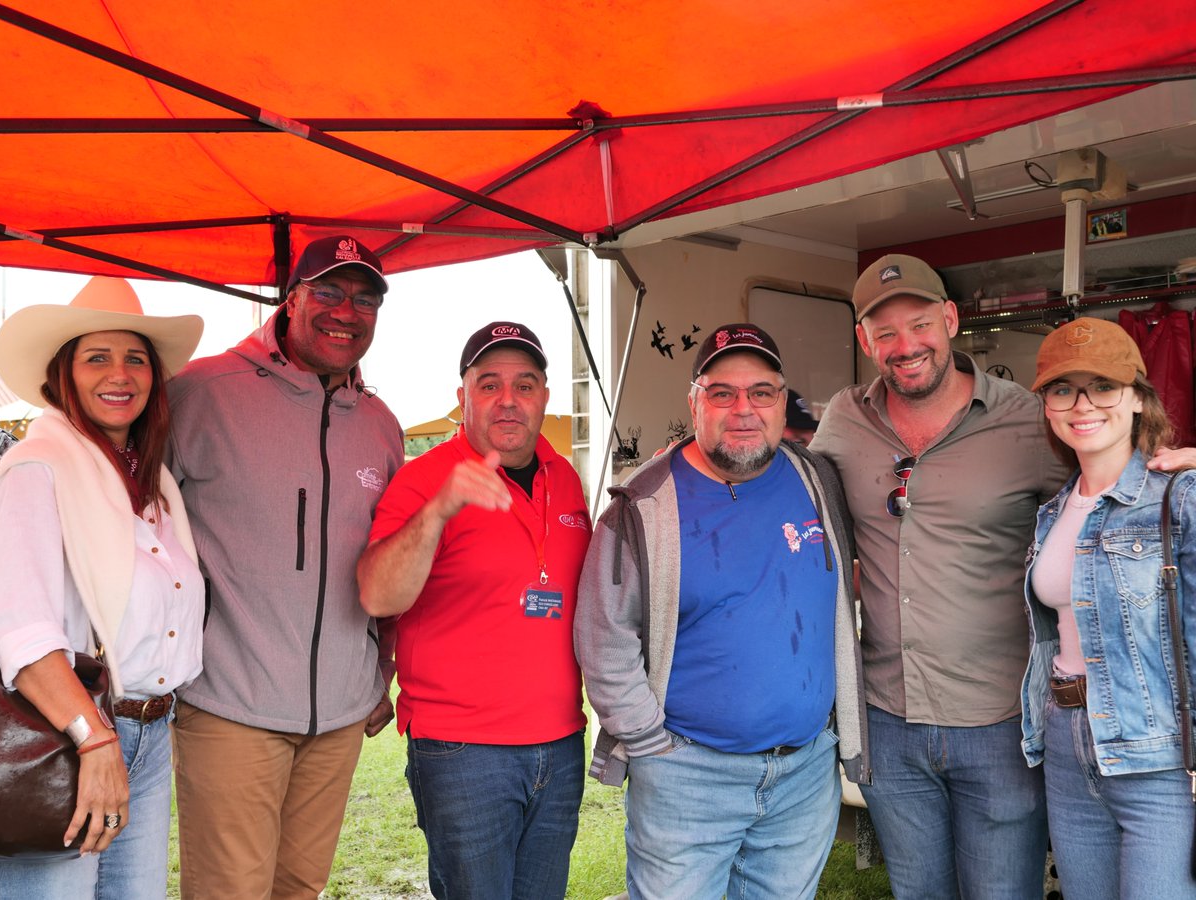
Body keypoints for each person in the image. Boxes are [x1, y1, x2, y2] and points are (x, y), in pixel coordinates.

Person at [576, 323, 868, 900]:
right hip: (688, 778)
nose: (744, 409)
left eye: (762, 392)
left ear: (783, 403)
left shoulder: (817, 481)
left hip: (804, 774)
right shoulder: (642, 507)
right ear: (694, 402)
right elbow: (604, 638)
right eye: (722, 393)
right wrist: (649, 746)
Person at [810, 254, 1068, 898]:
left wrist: (1172, 466)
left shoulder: (1028, 421)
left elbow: (1108, 496)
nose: (906, 347)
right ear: (865, 341)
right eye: (885, 333)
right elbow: (783, 492)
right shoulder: (844, 420)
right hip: (887, 722)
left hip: (1000, 722)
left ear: (950, 321)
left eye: (920, 324)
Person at [167, 234, 404, 899]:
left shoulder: (382, 424)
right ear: (291, 299)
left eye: (364, 299)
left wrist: (379, 670)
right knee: (230, 890)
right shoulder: (199, 393)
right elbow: (139, 531)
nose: (345, 312)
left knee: (299, 886)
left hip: (339, 716)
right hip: (228, 703)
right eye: (327, 292)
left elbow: (389, 559)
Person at [358, 321, 590, 900]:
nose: (508, 399)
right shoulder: (424, 480)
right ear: (462, 397)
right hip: (464, 752)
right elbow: (377, 595)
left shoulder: (565, 479)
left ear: (544, 397)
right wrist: (439, 512)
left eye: (525, 384)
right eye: (489, 384)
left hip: (560, 744)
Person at [0, 276, 204, 899]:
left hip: (147, 733)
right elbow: (23, 634)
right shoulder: (37, 469)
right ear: (65, 373)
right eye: (97, 357)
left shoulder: (151, 485)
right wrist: (94, 740)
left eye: (135, 358)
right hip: (68, 738)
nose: (120, 373)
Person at [1022, 317, 1196, 899]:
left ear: (1139, 399)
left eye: (1103, 385)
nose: (1082, 404)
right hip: (1066, 744)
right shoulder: (1052, 512)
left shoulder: (1180, 496)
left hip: (1157, 757)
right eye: (1062, 388)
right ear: (1047, 404)